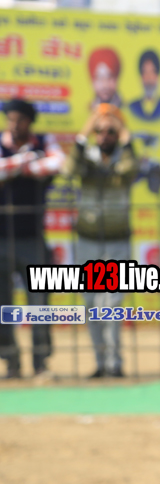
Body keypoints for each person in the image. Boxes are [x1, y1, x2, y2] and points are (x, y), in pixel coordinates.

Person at [66, 104, 139, 379]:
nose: (104, 136)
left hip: (117, 239)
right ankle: (100, 361)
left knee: (112, 303)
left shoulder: (124, 157)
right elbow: (69, 169)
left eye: (110, 131)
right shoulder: (87, 158)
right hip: (88, 240)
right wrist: (83, 134)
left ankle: (114, 363)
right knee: (89, 303)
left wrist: (124, 133)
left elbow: (131, 169)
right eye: (99, 131)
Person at [0, 99, 65, 379]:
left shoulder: (44, 141)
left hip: (33, 238)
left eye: (21, 120)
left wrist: (16, 168)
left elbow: (57, 163)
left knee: (40, 304)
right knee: (2, 305)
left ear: (30, 122)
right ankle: (11, 362)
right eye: (11, 119)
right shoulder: (5, 143)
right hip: (1, 239)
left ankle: (41, 363)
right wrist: (25, 161)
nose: (15, 125)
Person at [128, 49, 160, 120]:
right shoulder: (133, 107)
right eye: (145, 72)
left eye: (152, 72)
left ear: (158, 76)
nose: (149, 77)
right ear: (141, 77)